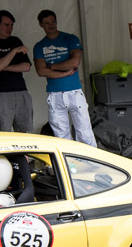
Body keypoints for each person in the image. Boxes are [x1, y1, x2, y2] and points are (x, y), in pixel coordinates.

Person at [33, 10, 95, 147]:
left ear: (56, 21)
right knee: (61, 136)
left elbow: (74, 62)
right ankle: (69, 166)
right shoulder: (39, 46)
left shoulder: (70, 38)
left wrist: (53, 66)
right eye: (46, 23)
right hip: (54, 94)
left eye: (53, 22)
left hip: (74, 91)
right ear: (40, 25)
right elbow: (41, 71)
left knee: (84, 132)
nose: (51, 25)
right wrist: (64, 73)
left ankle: (91, 164)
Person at [0, 10, 33, 133]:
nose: (10, 28)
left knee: (26, 132)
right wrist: (14, 52)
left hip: (21, 90)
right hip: (0, 93)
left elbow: (26, 67)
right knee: (4, 132)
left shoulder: (15, 41)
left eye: (12, 25)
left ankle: (24, 153)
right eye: (6, 25)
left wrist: (3, 67)